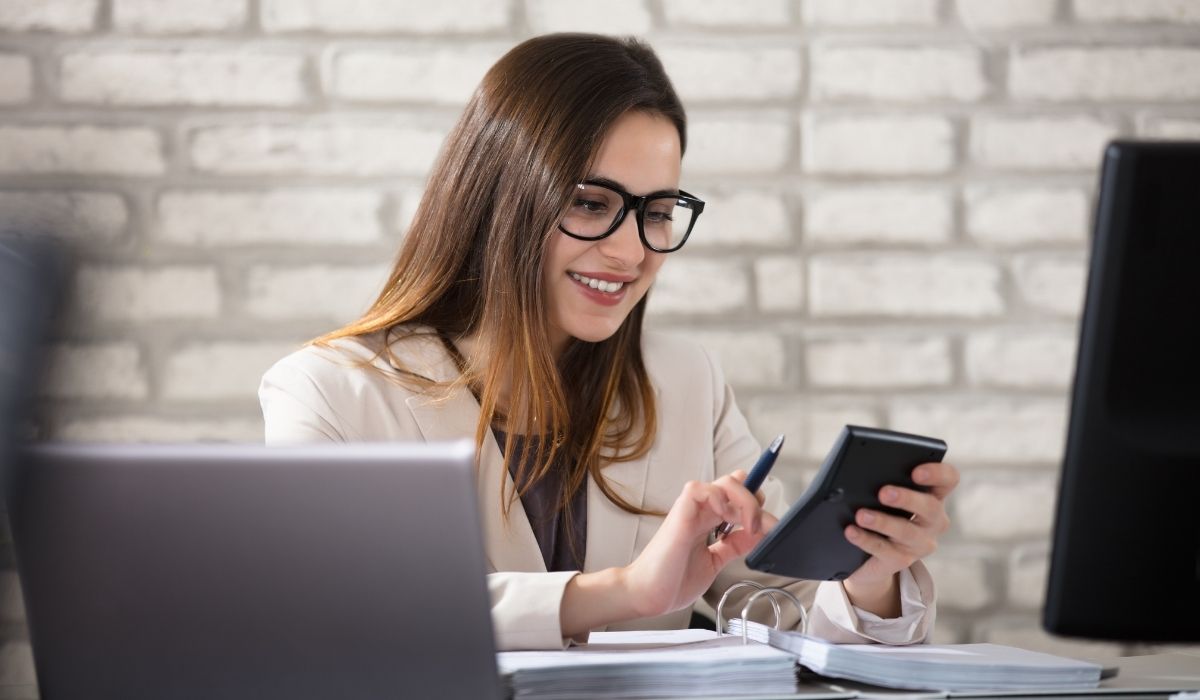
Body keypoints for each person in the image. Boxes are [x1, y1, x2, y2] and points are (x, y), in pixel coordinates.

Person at [259, 33, 959, 651]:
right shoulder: (328, 394)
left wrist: (867, 577)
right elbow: (332, 616)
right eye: (592, 204)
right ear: (502, 198)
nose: (631, 252)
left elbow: (786, 614)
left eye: (657, 213)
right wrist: (624, 592)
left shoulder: (687, 383)